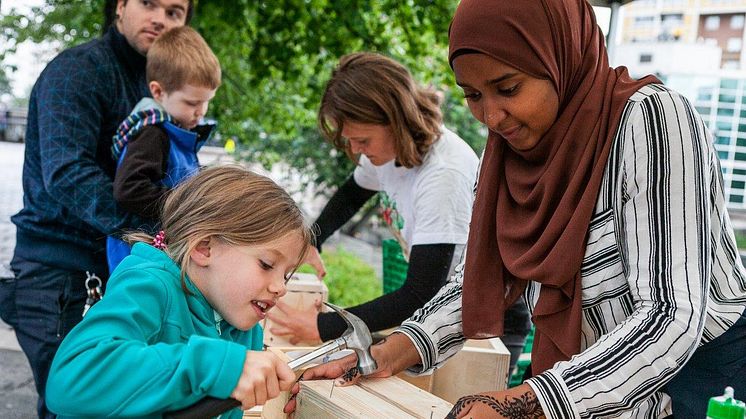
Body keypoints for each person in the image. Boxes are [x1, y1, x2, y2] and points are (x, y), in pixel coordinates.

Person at [287, 1, 746, 418]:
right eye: (473, 96)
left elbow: (671, 313)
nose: (491, 117)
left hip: (706, 381)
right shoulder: (510, 149)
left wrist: (527, 401)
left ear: (558, 59)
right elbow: (477, 279)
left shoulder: (655, 123)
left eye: (507, 88)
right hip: (593, 380)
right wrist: (391, 349)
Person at [0, 1, 191, 417]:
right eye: (149, 4)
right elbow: (67, 174)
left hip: (120, 271)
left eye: (175, 11)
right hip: (62, 277)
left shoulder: (164, 85)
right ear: (120, 7)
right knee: (75, 410)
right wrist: (167, 228)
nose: (161, 18)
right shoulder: (78, 70)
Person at [46, 165, 311, 418]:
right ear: (204, 248)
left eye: (286, 274)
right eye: (266, 264)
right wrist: (215, 366)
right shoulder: (149, 287)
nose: (281, 287)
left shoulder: (245, 331)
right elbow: (70, 377)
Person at [266, 52, 490, 345]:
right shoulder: (387, 149)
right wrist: (309, 241)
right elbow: (349, 197)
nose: (357, 150)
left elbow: (419, 294)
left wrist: (326, 327)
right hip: (443, 311)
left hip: (482, 325)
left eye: (363, 141)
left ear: (395, 120)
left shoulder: (443, 175)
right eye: (351, 140)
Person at [107, 25, 220, 272]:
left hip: (157, 251)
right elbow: (129, 189)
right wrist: (188, 201)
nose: (200, 112)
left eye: (206, 103)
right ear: (158, 91)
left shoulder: (174, 131)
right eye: (192, 103)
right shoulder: (152, 134)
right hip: (139, 253)